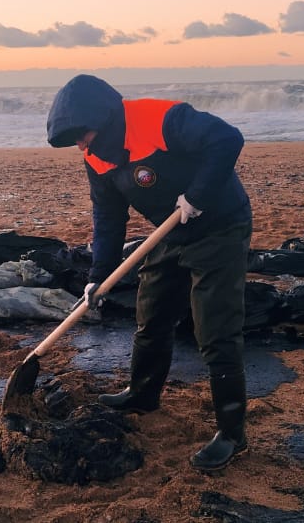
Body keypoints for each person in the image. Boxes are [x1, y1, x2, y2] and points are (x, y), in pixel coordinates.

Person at [45, 74, 253, 472]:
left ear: (104, 118)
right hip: (169, 231)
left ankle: (231, 433)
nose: (81, 145)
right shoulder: (96, 155)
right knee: (152, 311)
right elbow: (107, 215)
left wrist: (197, 196)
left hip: (219, 225)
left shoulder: (162, 120)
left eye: (82, 135)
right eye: (74, 140)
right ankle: (142, 394)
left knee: (215, 328)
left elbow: (227, 139)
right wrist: (98, 273)